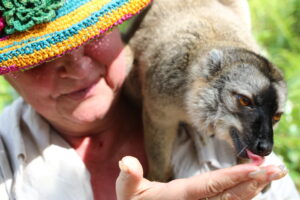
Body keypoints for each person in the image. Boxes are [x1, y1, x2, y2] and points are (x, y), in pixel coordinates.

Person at [0, 0, 296, 200]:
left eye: (92, 34)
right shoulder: (6, 164)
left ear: (122, 26)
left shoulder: (238, 156)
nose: (79, 68)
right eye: (38, 59)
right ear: (6, 74)